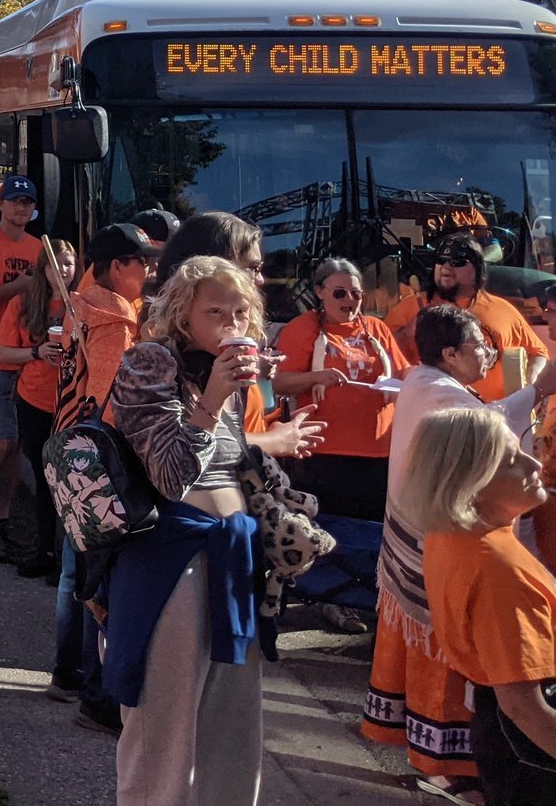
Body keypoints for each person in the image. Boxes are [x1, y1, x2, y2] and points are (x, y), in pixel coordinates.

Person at [104, 256, 326, 806]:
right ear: (183, 314)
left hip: (234, 561)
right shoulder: (151, 361)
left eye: (241, 311)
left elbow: (232, 463)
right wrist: (210, 401)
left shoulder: (230, 373)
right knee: (165, 737)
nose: (231, 322)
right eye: (215, 310)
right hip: (170, 564)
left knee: (233, 739)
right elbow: (170, 476)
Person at [365, 301, 556, 793]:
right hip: (452, 562)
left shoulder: (423, 382)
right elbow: (485, 429)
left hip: (434, 546)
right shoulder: (498, 567)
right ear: (449, 354)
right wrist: (539, 389)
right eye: (480, 347)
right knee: (466, 671)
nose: (489, 354)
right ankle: (451, 768)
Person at [407, 406, 556, 806]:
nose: (533, 460)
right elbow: (526, 707)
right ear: (471, 484)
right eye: (510, 461)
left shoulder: (453, 534)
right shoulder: (499, 570)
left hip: (499, 729)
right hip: (533, 745)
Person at [47, 221, 159, 734]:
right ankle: (93, 691)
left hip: (65, 446)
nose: (152, 272)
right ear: (119, 266)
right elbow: (113, 397)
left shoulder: (80, 303)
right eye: (145, 263)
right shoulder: (114, 320)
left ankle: (65, 671)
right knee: (96, 580)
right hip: (99, 460)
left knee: (73, 570)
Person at [0, 177, 69, 562]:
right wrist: (16, 287)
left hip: (26, 359)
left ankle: (2, 520)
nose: (21, 208)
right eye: (14, 201)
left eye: (27, 202)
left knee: (15, 444)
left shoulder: (39, 248)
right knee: (2, 440)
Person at [273, 257, 402, 521]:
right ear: (320, 292)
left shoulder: (376, 328)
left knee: (370, 535)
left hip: (377, 453)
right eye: (340, 293)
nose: (350, 300)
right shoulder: (302, 328)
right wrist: (318, 376)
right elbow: (280, 382)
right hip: (322, 454)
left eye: (356, 294)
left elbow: (402, 372)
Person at [0, 246, 66, 580]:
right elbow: (6, 353)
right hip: (35, 400)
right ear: (43, 270)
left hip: (71, 404)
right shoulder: (24, 304)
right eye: (56, 265)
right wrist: (37, 351)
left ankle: (65, 560)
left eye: (69, 264)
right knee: (43, 478)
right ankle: (45, 551)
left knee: (69, 483)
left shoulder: (82, 305)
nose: (63, 270)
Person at [432, 234, 548, 403]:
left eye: (457, 262)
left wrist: (530, 382)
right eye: (441, 260)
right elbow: (388, 362)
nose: (446, 268)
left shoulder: (503, 309)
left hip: (497, 418)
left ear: (477, 269)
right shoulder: (413, 308)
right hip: (438, 421)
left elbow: (538, 352)